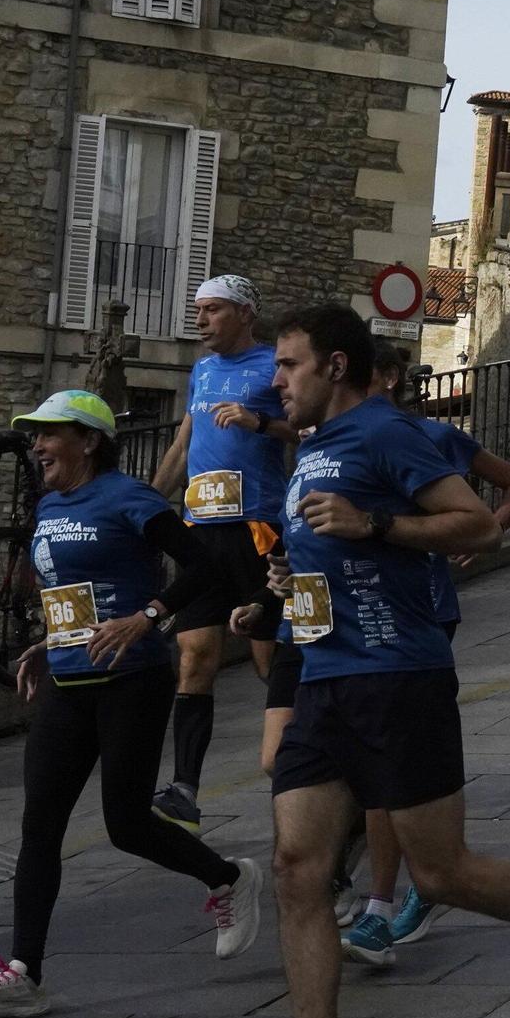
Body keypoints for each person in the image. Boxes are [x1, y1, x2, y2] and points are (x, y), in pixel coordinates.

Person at [261, 304, 510, 1018]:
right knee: (294, 867)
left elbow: (476, 524)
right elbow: (335, 545)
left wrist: (375, 523)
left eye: (288, 364)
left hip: (397, 676)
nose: (275, 380)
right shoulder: (313, 447)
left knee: (440, 872)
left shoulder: (386, 432)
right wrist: (290, 579)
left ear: (335, 366)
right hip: (323, 674)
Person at [0, 392, 262, 1018]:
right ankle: (24, 975)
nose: (37, 447)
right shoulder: (49, 506)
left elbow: (205, 566)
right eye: (34, 436)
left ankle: (229, 878)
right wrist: (51, 641)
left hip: (131, 681)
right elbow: (75, 592)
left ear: (89, 441)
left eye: (49, 435)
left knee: (126, 824)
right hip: (67, 683)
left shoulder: (130, 498)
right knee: (40, 827)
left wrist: (148, 616)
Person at [340, 344, 510, 967]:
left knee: (390, 769)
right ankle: (394, 880)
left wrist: (484, 535)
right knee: (369, 768)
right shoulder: (333, 442)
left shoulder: (429, 438)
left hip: (420, 616)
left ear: (387, 378)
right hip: (354, 624)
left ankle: (385, 902)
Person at [148, 274, 299, 833]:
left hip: (257, 528)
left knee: (267, 660)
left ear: (244, 314)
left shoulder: (272, 366)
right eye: (198, 310)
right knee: (194, 657)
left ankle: (310, 763)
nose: (200, 319)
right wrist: (145, 507)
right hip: (200, 532)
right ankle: (184, 790)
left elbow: (308, 430)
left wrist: (261, 422)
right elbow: (183, 444)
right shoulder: (203, 370)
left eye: (212, 310)